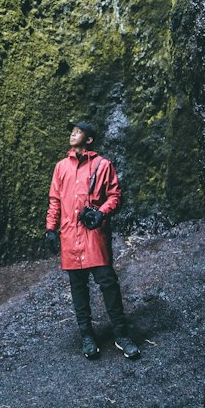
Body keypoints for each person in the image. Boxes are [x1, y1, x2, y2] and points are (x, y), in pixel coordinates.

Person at [45, 120, 140, 359]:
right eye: (72, 132)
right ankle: (87, 337)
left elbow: (115, 195)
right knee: (78, 289)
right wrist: (50, 228)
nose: (72, 135)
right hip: (69, 235)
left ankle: (121, 335)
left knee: (108, 284)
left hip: (94, 235)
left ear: (89, 139)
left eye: (78, 132)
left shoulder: (103, 165)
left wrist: (101, 213)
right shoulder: (61, 168)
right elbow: (55, 200)